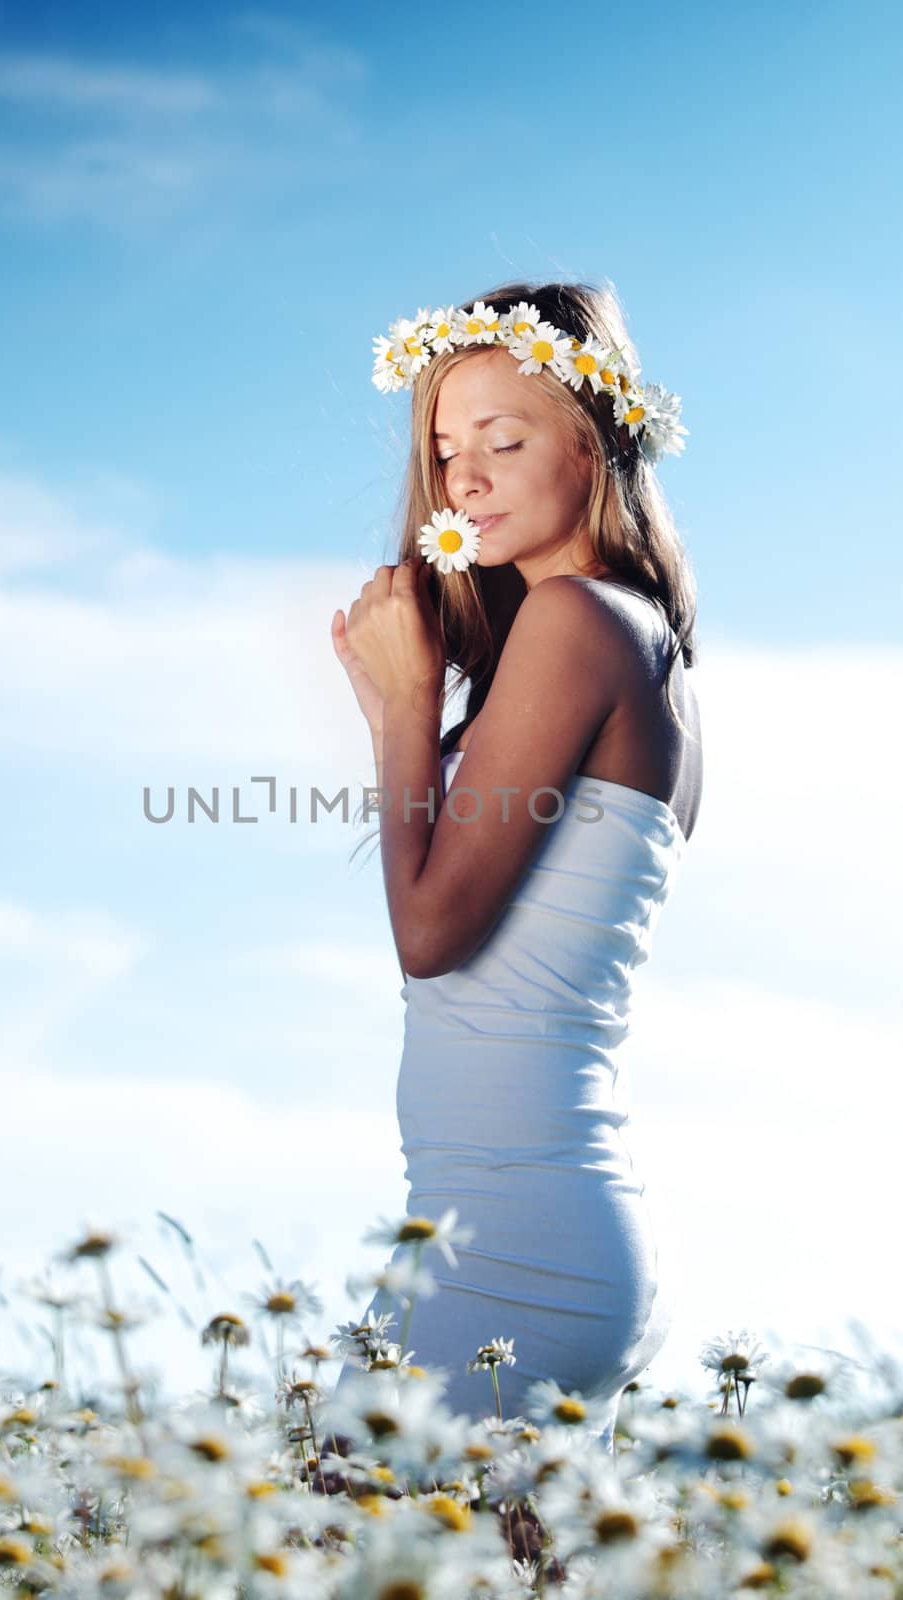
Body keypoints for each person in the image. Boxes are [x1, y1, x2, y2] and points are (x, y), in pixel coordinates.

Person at [327, 279, 702, 1454]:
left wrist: (399, 710)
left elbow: (431, 935)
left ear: (591, 446)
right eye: (444, 452)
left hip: (517, 1244)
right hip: (502, 1222)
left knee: (321, 1543)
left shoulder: (579, 621)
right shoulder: (629, 638)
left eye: (503, 438)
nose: (465, 480)